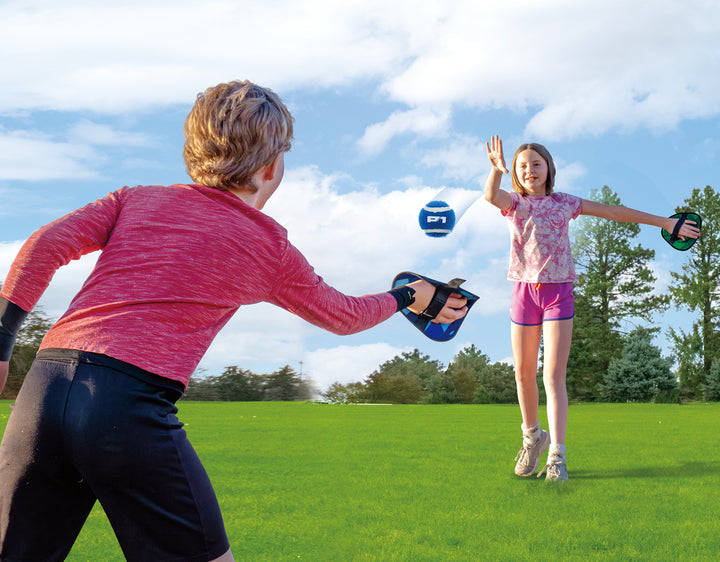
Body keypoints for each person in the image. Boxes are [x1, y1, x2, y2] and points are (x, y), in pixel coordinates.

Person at [0, 80, 468, 561]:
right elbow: (344, 316)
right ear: (271, 168)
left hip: (43, 388)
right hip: (125, 406)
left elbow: (43, 245)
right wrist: (409, 294)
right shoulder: (269, 247)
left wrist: (2, 339)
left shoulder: (135, 199)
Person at [483, 135, 699, 482]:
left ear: (549, 168)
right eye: (522, 166)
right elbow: (491, 196)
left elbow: (615, 212)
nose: (529, 170)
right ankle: (533, 437)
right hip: (524, 292)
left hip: (558, 295)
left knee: (553, 376)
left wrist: (665, 222)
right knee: (523, 374)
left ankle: (557, 457)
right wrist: (496, 170)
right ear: (516, 173)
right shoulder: (515, 204)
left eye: (536, 164)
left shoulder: (566, 203)